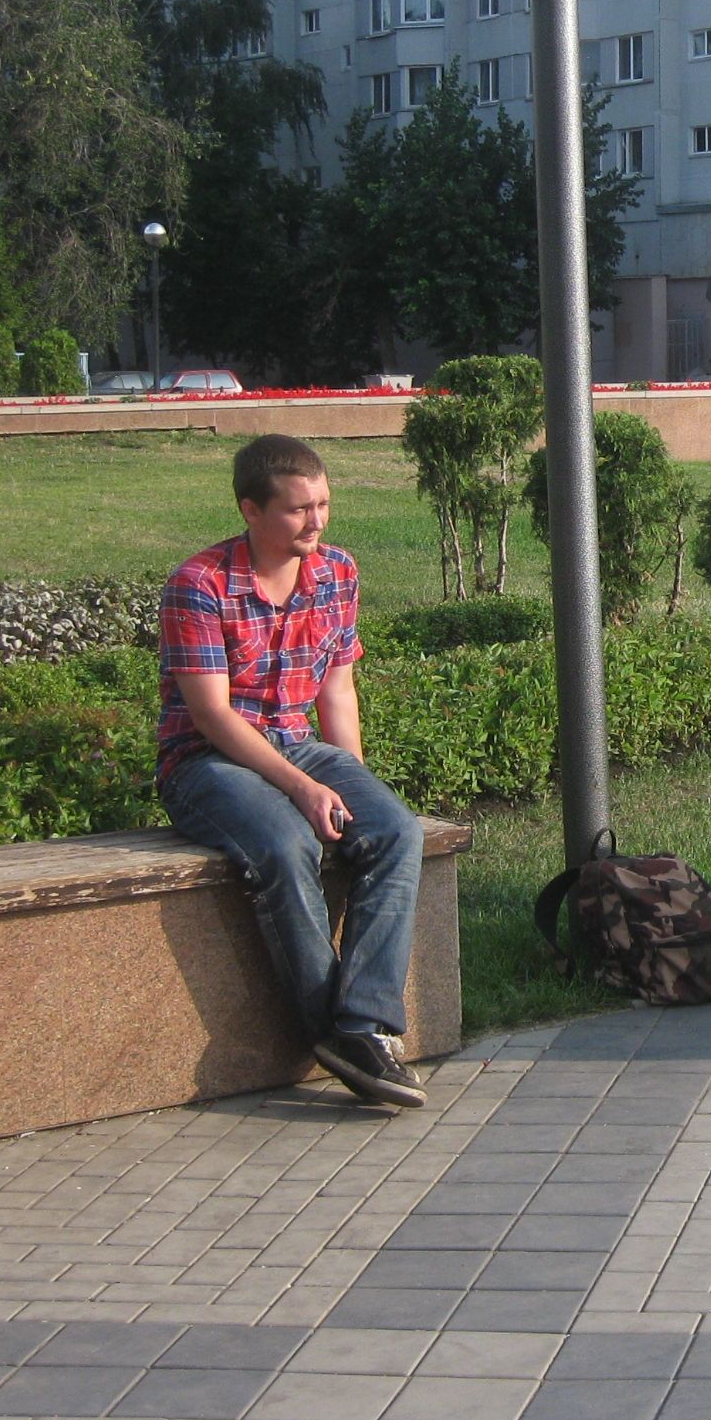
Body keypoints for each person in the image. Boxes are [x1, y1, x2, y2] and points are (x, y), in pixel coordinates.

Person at [157, 433, 429, 1110]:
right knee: (284, 845)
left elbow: (338, 691)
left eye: (324, 504)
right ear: (251, 510)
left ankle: (362, 1022)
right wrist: (305, 788)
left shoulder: (337, 572)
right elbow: (214, 717)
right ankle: (329, 1030)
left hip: (300, 744)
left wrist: (352, 784)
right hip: (207, 762)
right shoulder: (199, 585)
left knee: (397, 832)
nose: (316, 521)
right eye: (298, 509)